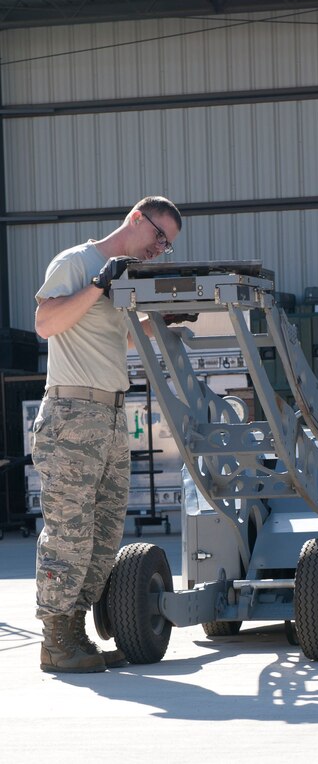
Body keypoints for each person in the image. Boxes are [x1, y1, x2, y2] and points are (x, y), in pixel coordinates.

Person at [32, 196, 182, 673]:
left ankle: (75, 634)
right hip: (73, 414)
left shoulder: (123, 274)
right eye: (159, 236)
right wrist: (99, 283)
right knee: (69, 533)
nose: (161, 248)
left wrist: (158, 321)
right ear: (137, 218)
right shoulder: (79, 263)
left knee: (102, 534)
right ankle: (56, 641)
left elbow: (105, 328)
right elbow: (46, 323)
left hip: (112, 418)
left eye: (168, 245)